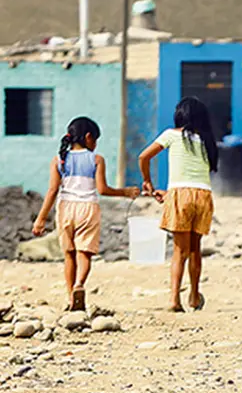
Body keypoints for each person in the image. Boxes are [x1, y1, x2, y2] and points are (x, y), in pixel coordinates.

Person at [32, 117, 140, 311]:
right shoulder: (96, 159)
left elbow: (52, 191)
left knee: (69, 255)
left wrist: (40, 219)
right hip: (88, 208)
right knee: (85, 254)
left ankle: (69, 297)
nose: (95, 144)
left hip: (65, 208)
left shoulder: (58, 160)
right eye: (95, 140)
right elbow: (102, 189)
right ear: (88, 137)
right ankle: (79, 284)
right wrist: (125, 192)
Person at [139, 97, 218, 313]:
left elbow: (143, 157)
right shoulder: (206, 140)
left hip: (180, 195)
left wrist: (148, 181)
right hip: (202, 196)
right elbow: (195, 177)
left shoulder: (170, 135)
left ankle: (174, 299)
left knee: (179, 251)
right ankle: (194, 295)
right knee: (195, 250)